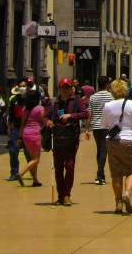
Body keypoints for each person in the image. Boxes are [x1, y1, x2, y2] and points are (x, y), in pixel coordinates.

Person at [102, 79, 132, 215]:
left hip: (113, 141)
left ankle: (118, 203)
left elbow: (104, 125)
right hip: (129, 140)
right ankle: (127, 193)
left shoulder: (107, 106)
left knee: (116, 172)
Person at [44, 78, 88, 206]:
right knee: (58, 168)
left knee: (69, 166)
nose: (65, 90)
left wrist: (71, 116)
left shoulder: (77, 101)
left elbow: (85, 114)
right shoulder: (53, 102)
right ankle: (60, 195)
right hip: (57, 139)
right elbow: (45, 116)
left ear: (71, 89)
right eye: (63, 87)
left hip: (71, 139)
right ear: (59, 89)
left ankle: (67, 194)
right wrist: (47, 121)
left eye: (67, 87)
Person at [85, 75, 113, 185]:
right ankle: (100, 174)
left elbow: (89, 114)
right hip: (106, 126)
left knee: (100, 149)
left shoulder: (93, 97)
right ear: (107, 85)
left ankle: (101, 174)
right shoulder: (111, 97)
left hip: (96, 127)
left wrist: (87, 129)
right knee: (103, 150)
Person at [16, 89, 45, 186]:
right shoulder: (40, 108)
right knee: (36, 159)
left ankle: (35, 180)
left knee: (33, 158)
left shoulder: (25, 109)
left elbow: (22, 124)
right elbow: (44, 120)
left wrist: (19, 138)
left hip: (25, 134)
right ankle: (21, 173)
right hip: (35, 134)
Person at [7, 78, 31, 181]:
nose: (22, 88)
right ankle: (14, 172)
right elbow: (11, 115)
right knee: (13, 151)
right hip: (16, 128)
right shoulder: (14, 100)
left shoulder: (30, 100)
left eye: (24, 86)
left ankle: (31, 172)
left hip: (28, 128)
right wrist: (9, 128)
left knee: (28, 151)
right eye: (20, 86)